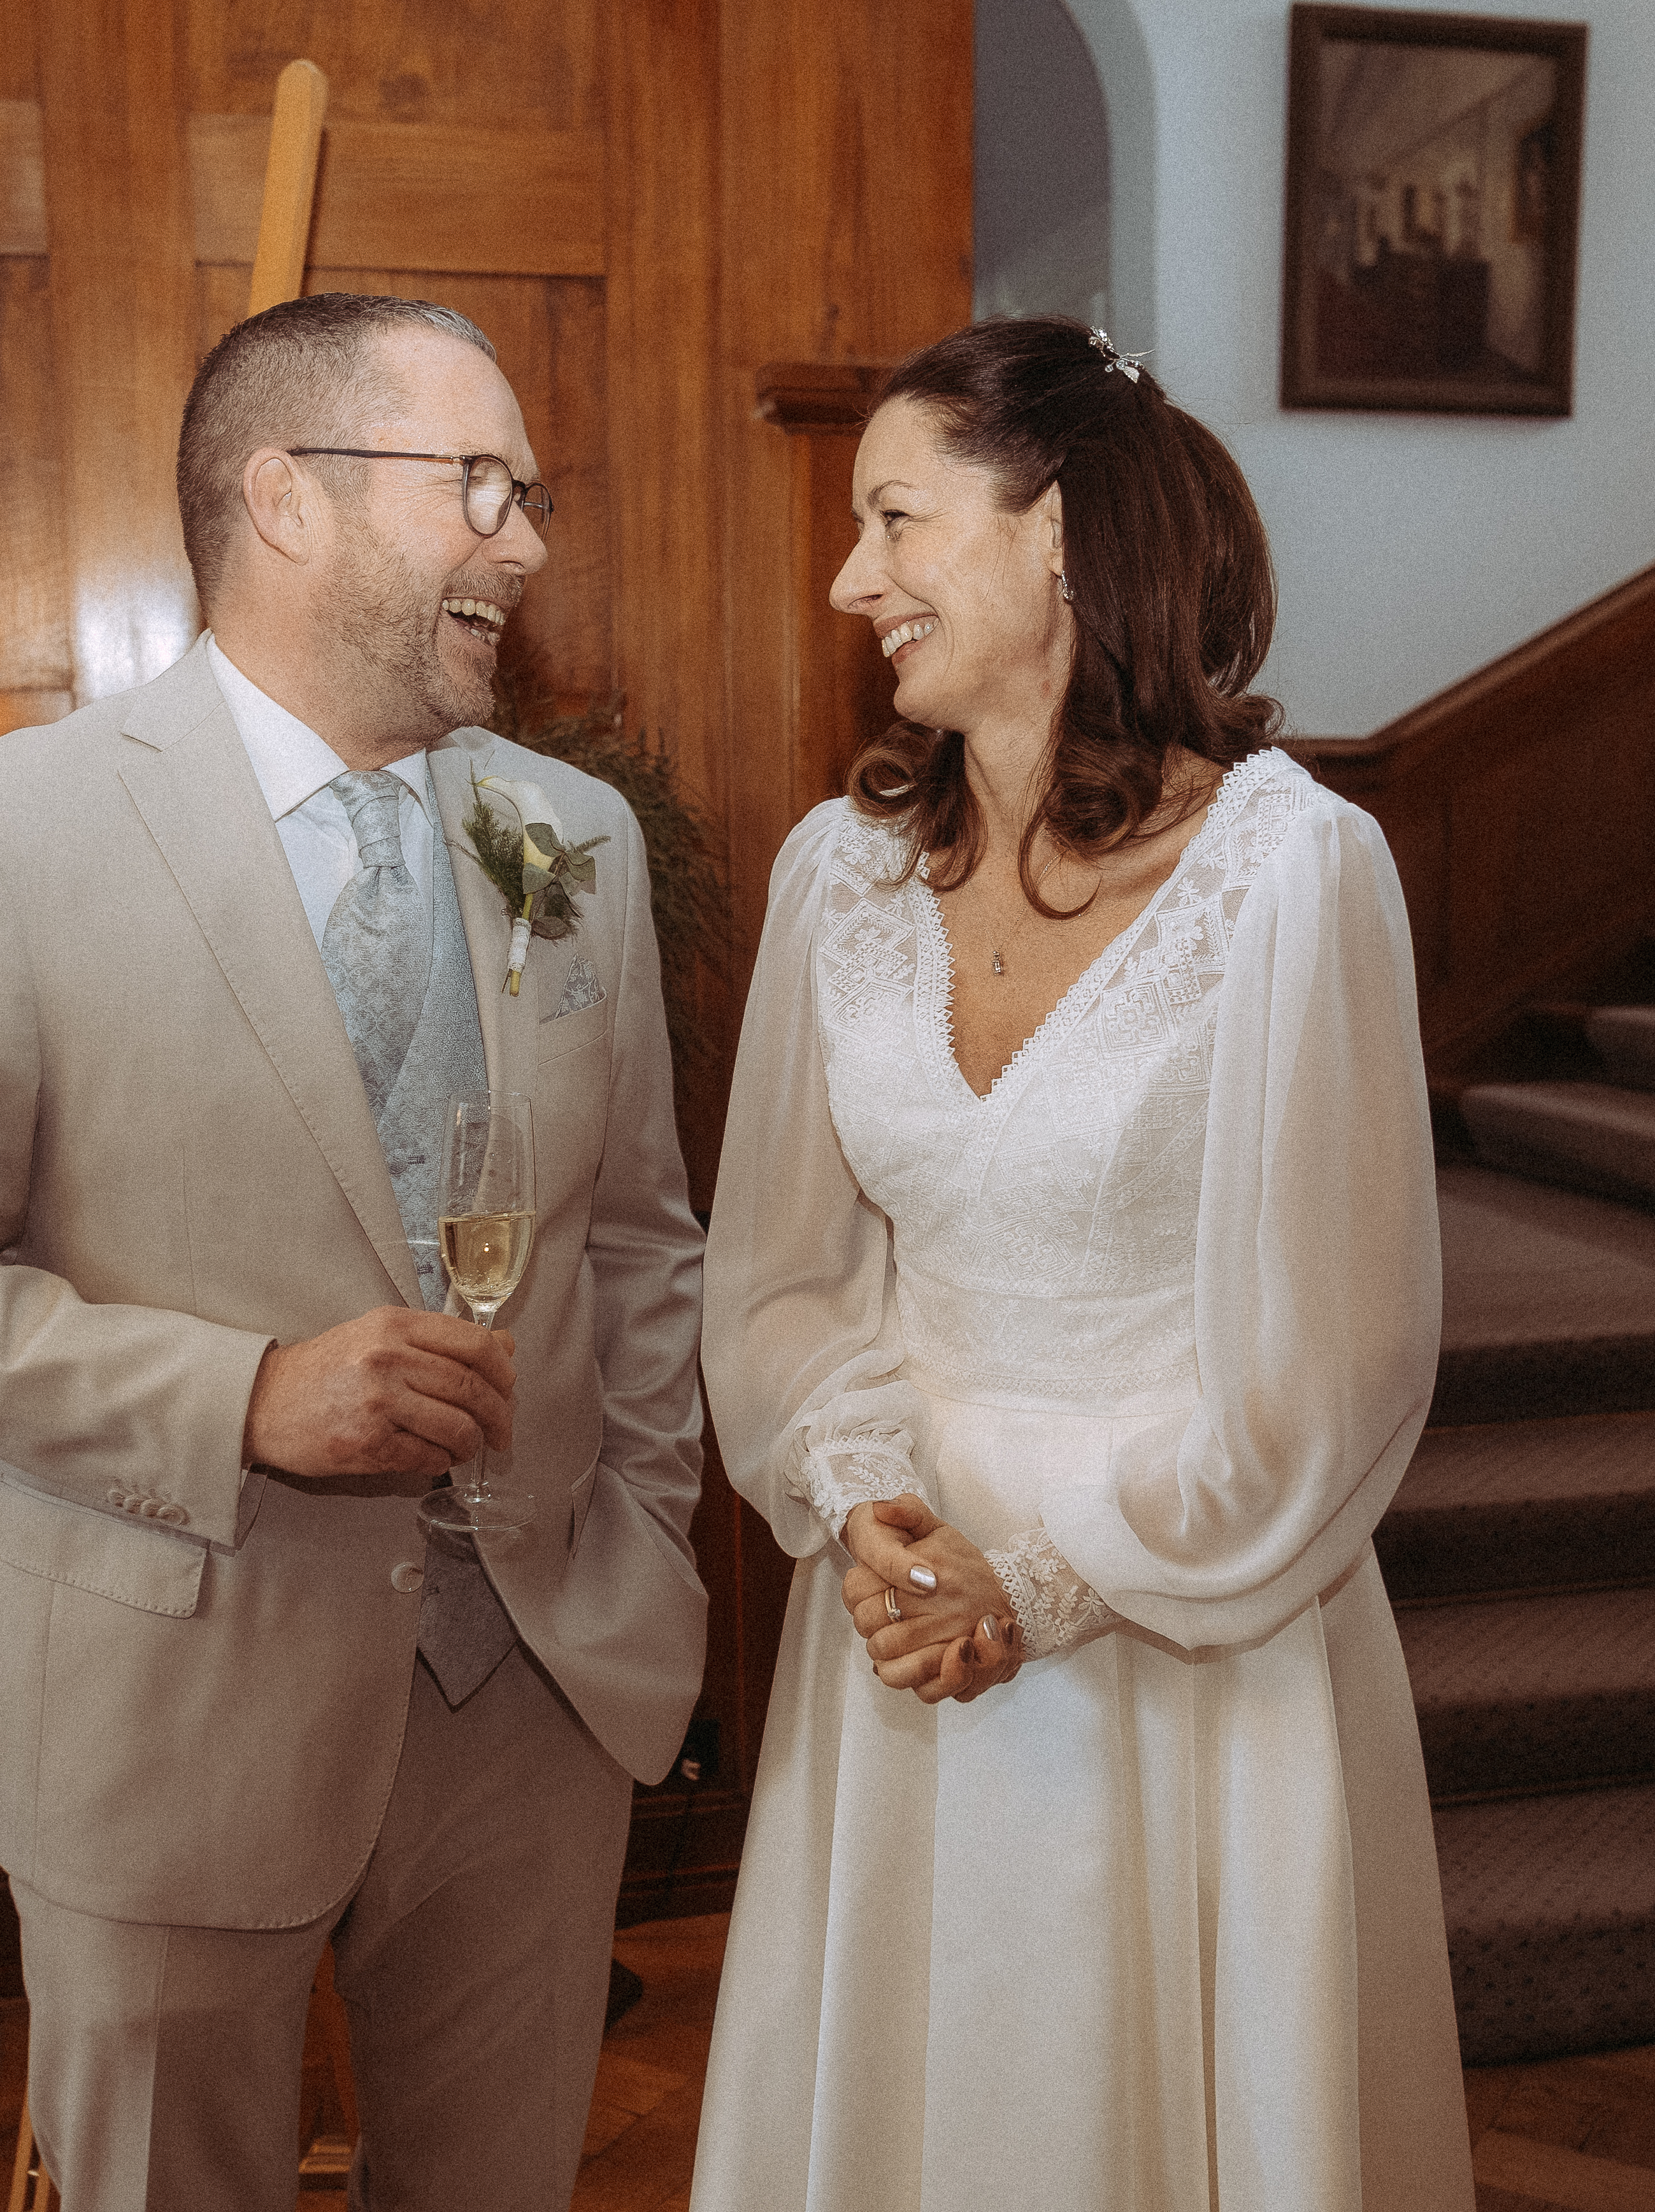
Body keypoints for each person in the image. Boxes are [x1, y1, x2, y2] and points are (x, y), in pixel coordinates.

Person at [0, 293, 708, 2212]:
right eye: (479, 486)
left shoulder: (571, 839)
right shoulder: (2, 830)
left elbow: (637, 1242)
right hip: (178, 1702)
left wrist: (646, 1537)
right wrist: (243, 1398)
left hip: (533, 1696)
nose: (525, 545)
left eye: (527, 496)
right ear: (287, 498)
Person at [691, 318, 1472, 2210]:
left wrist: (1044, 1581)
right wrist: (864, 1501)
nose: (850, 579)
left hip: (1192, 1618)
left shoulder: (1292, 873)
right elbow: (780, 1276)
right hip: (900, 1616)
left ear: (1057, 531)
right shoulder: (837, 877)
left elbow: (1344, 1352)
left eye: (896, 518)